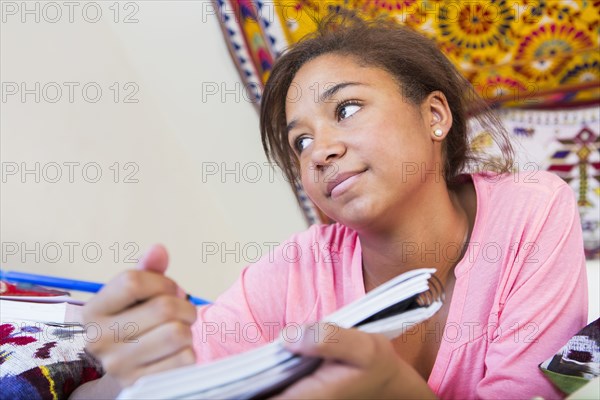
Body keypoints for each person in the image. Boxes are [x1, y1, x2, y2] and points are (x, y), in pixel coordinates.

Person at [70, 15, 588, 399]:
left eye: (347, 109)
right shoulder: (289, 272)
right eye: (300, 143)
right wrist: (134, 372)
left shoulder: (532, 213)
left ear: (434, 115)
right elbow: (180, 372)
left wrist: (392, 390)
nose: (320, 151)